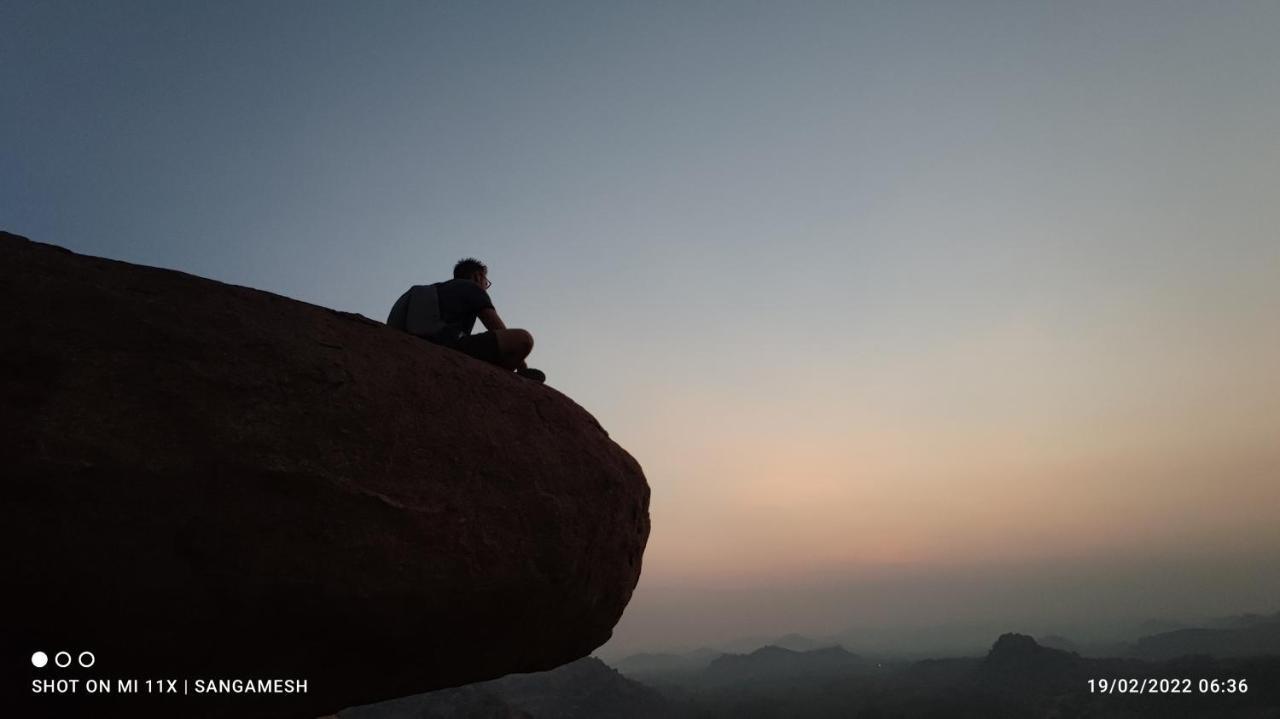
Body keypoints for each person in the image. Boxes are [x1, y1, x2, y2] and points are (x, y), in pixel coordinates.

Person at [386, 258, 545, 382]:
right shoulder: (472, 288)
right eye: (486, 282)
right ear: (477, 276)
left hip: (411, 342)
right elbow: (496, 327)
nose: (485, 286)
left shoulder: (433, 290)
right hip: (446, 344)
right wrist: (522, 366)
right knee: (523, 339)